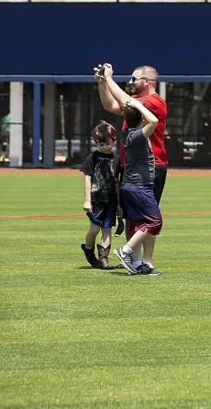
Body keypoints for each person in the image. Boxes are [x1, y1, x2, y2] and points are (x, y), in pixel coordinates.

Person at [95, 63, 169, 204]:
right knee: (129, 214)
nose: (130, 82)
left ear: (146, 81)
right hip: (131, 164)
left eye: (134, 79)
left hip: (150, 165)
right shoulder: (136, 100)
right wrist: (102, 83)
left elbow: (127, 101)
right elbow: (109, 106)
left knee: (144, 216)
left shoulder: (156, 102)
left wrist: (109, 79)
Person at [112, 98, 163, 276]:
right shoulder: (136, 135)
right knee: (154, 222)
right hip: (139, 187)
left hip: (131, 186)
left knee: (137, 223)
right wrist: (139, 106)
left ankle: (137, 263)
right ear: (141, 117)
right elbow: (154, 121)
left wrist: (134, 108)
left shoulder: (127, 132)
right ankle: (125, 250)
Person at [80, 121, 120, 269]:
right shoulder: (93, 157)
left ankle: (104, 258)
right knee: (94, 229)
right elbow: (87, 178)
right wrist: (87, 201)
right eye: (100, 144)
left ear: (113, 140)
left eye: (107, 143)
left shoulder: (116, 159)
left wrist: (119, 204)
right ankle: (89, 250)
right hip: (96, 200)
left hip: (111, 200)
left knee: (107, 229)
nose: (104, 147)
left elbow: (116, 181)